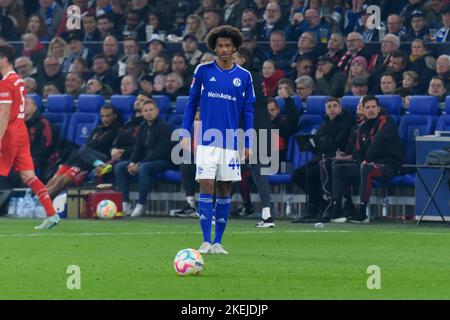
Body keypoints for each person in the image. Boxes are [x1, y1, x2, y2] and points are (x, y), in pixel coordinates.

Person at [181, 25, 254, 255]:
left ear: (234, 48)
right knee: (206, 184)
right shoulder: (203, 71)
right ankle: (205, 240)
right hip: (206, 140)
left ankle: (218, 242)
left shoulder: (244, 76)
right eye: (219, 45)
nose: (223, 49)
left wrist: (248, 142)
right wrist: (185, 131)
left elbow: (248, 112)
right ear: (214, 47)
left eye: (227, 45)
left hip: (231, 141)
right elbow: (191, 103)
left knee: (224, 189)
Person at [0, 43, 58, 229]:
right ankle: (52, 214)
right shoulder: (18, 80)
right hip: (21, 132)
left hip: (9, 134)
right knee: (28, 176)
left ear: (4, 59)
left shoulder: (6, 83)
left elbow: (4, 113)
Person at [330, 95, 404, 223]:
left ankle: (362, 212)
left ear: (378, 108)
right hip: (368, 165)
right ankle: (338, 210)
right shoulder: (362, 127)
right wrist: (360, 161)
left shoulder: (387, 122)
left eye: (374, 107)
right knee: (338, 167)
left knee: (366, 167)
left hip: (389, 165)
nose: (371, 110)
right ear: (362, 110)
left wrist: (367, 160)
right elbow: (358, 151)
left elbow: (378, 142)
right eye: (368, 107)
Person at [291, 97, 353, 223]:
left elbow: (336, 144)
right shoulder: (323, 125)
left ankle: (316, 207)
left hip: (333, 159)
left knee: (311, 173)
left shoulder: (346, 124)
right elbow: (317, 147)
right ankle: (319, 202)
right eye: (329, 107)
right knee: (298, 174)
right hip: (319, 158)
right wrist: (316, 143)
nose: (332, 109)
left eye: (335, 106)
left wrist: (319, 141)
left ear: (340, 108)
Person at [45, 105, 121, 199]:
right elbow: (88, 145)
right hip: (81, 157)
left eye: (108, 116)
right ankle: (38, 200)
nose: (105, 119)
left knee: (60, 183)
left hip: (96, 159)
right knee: (54, 179)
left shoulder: (117, 130)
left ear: (115, 116)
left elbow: (114, 149)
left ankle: (40, 203)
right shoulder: (97, 129)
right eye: (102, 116)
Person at [115, 99, 173, 217]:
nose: (148, 113)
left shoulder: (165, 127)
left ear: (157, 111)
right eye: (145, 111)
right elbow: (138, 149)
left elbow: (160, 152)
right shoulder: (142, 127)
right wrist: (132, 162)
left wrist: (139, 164)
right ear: (142, 112)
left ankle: (141, 204)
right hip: (145, 160)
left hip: (163, 161)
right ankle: (125, 203)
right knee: (119, 167)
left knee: (144, 168)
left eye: (151, 110)